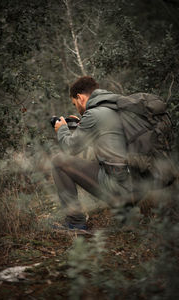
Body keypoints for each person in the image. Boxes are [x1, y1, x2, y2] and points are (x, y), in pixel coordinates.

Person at [52, 76, 133, 230]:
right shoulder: (115, 106)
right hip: (141, 183)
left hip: (120, 188)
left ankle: (75, 222)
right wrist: (81, 127)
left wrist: (62, 129)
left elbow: (70, 148)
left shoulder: (94, 115)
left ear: (80, 98)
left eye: (74, 104)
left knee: (59, 162)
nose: (76, 107)